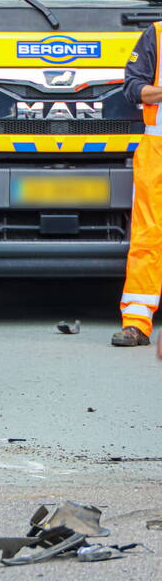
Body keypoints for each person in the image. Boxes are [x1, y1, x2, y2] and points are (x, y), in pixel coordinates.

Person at [115, 22, 162, 346]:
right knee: (148, 235)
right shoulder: (156, 36)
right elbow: (133, 87)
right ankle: (137, 321)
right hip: (157, 151)